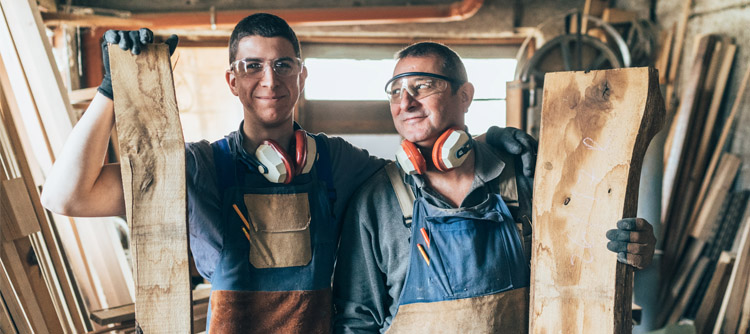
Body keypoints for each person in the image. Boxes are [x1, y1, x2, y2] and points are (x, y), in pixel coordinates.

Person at [40, 14, 536, 334]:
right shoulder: (197, 168)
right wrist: (110, 89)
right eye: (252, 66)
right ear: (232, 80)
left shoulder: (339, 162)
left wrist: (487, 143)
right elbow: (67, 196)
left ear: (302, 76)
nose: (269, 80)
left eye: (284, 65)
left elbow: (423, 169)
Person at [331, 42, 657, 333]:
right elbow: (357, 321)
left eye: (423, 86)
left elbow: (587, 267)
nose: (406, 103)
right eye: (395, 91)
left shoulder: (526, 172)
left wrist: (632, 248)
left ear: (465, 95)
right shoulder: (376, 200)